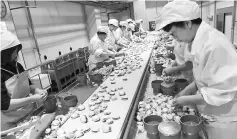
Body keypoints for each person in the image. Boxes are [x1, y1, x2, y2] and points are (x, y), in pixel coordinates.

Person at [157, 1, 237, 139]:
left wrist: (185, 100)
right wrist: (187, 91)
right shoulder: (199, 41)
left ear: (187, 23)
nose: (174, 38)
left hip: (223, 118)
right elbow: (204, 77)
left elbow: (219, 94)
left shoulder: (214, 45)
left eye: (174, 33)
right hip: (210, 112)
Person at [1, 30, 48, 130]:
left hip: (29, 115)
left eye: (17, 51)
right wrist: (32, 99)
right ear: (5, 54)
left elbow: (28, 84)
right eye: (14, 52)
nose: (16, 55)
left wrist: (37, 90)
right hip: (12, 121)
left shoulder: (18, 66)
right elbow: (4, 104)